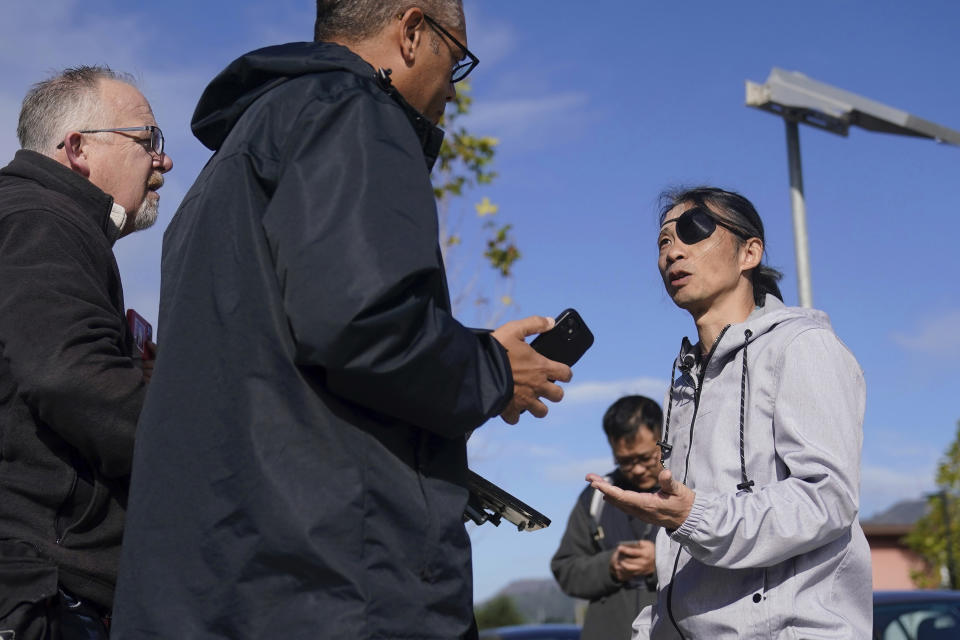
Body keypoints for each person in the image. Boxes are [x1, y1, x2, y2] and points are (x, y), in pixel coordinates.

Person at [111, 2, 571, 639]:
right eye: (456, 57)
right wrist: (494, 369)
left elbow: (298, 344)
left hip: (228, 580)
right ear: (412, 32)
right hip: (335, 585)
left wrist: (459, 350)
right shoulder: (354, 110)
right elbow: (366, 324)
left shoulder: (235, 159)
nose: (453, 89)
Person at [588, 187, 871, 639]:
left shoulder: (801, 347)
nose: (673, 251)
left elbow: (827, 499)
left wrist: (693, 517)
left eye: (693, 230)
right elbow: (681, 549)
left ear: (750, 252)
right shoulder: (683, 381)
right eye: (662, 241)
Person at [0, 66, 173, 638]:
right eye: (148, 140)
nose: (163, 162)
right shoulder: (41, 218)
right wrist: (202, 447)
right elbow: (69, 376)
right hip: (39, 596)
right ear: (76, 148)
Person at [551, 395, 662, 640]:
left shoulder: (691, 487)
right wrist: (610, 566)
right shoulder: (596, 498)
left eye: (645, 458)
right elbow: (565, 569)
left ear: (663, 439)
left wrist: (661, 561)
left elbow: (720, 559)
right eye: (625, 461)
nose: (637, 469)